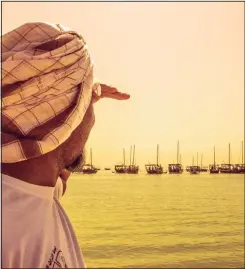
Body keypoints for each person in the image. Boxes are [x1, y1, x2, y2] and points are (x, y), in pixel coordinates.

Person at [2, 22, 130, 268]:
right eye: (86, 105)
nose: (92, 120)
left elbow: (60, 178)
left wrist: (88, 94)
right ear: (67, 118)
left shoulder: (39, 186)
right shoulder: (8, 233)